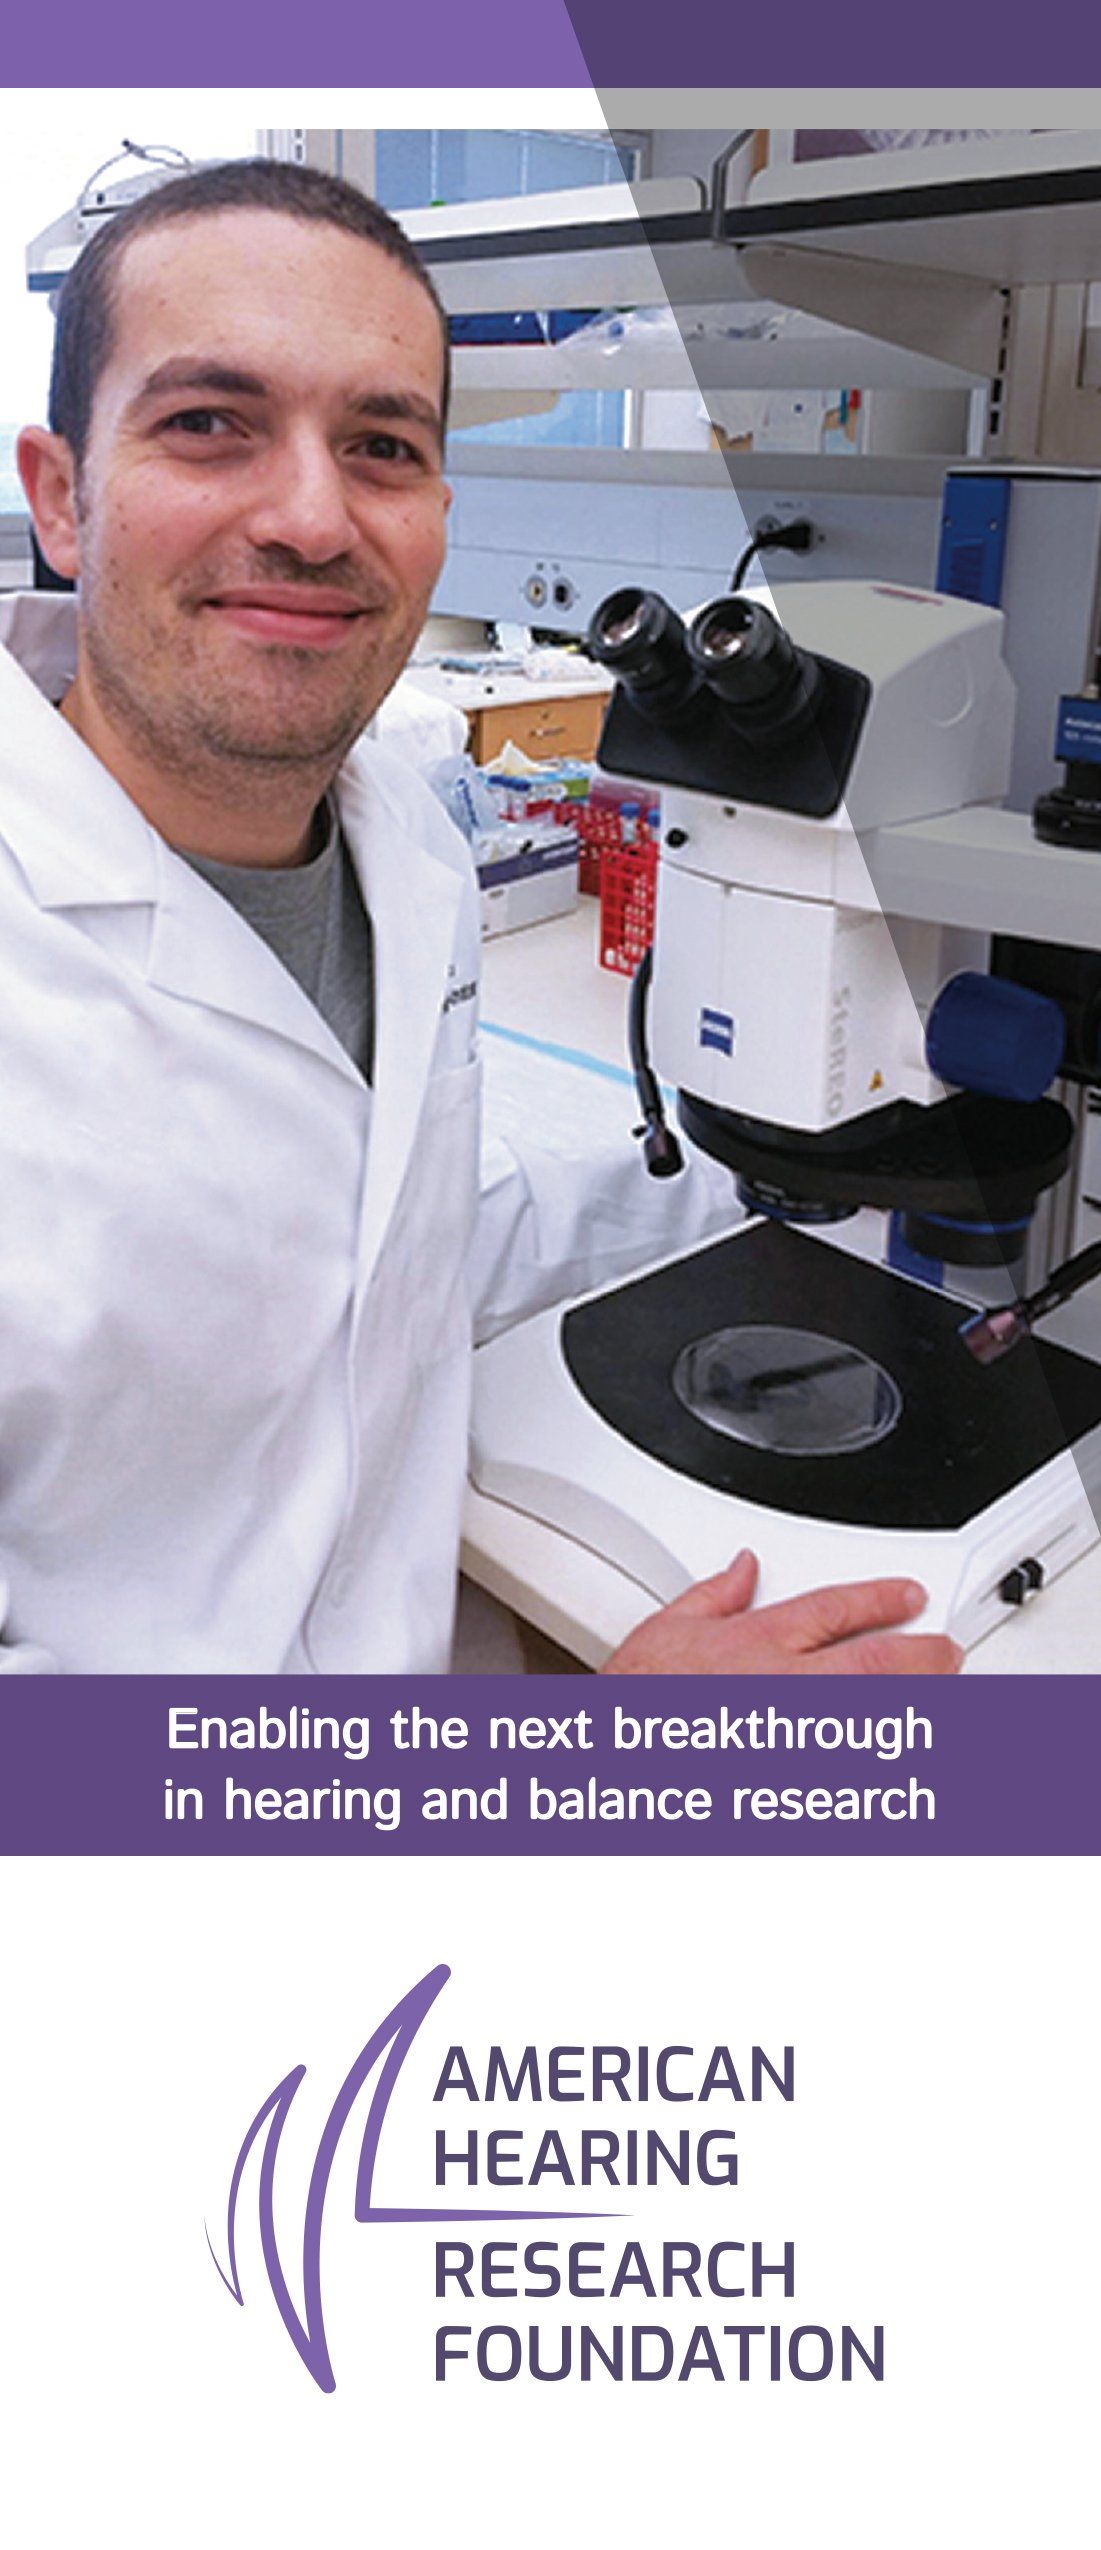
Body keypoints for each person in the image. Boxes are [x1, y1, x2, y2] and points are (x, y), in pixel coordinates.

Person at [0, 158, 960, 1678]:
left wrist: (785, 1170)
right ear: (63, 496)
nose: (313, 517)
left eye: (381, 446)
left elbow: (393, 1236)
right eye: (209, 424)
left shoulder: (403, 845)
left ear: (439, 509)